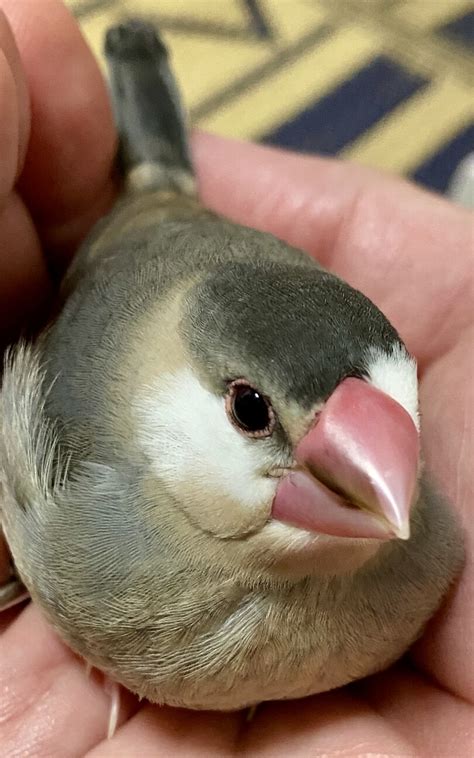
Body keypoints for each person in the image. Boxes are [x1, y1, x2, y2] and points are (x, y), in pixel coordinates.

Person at [0, 1, 472, 755]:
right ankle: (156, 165)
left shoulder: (420, 541)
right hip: (137, 248)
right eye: (252, 412)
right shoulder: (88, 490)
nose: (382, 492)